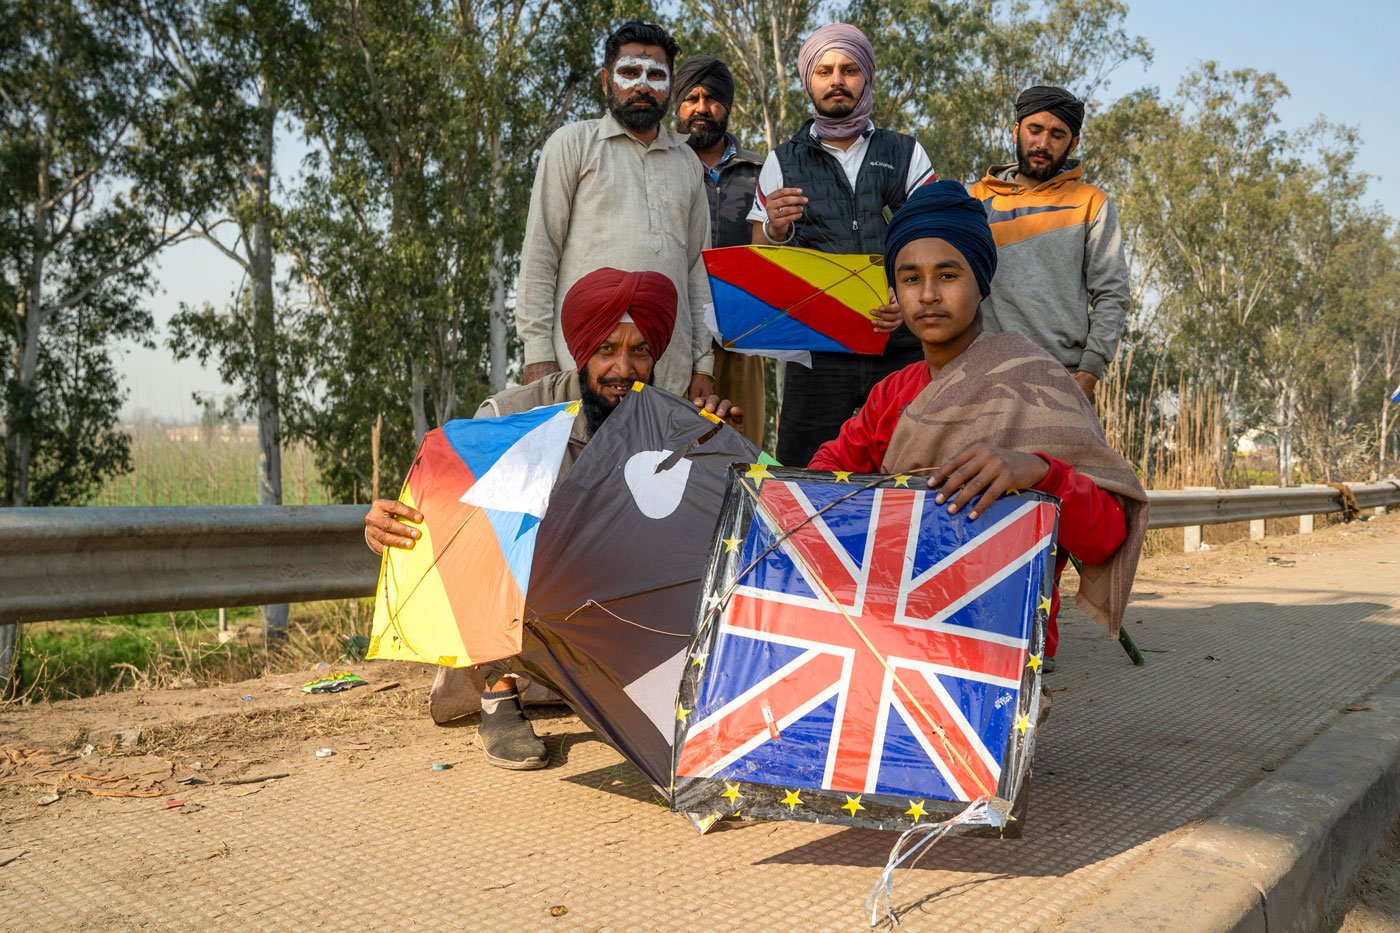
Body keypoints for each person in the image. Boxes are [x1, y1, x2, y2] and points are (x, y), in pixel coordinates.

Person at [365, 268, 743, 768]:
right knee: (489, 527)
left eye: (640, 352)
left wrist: (723, 452)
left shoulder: (676, 421)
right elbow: (449, 524)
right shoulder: (510, 415)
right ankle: (499, 697)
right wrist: (387, 529)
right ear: (580, 350)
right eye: (607, 350)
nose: (623, 368)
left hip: (613, 629)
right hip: (520, 637)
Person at [809, 181, 1147, 671]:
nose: (927, 295)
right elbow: (822, 479)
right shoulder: (892, 394)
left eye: (947, 275)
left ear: (981, 281)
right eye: (910, 279)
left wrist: (1039, 472)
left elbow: (1106, 537)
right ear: (895, 291)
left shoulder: (1040, 383)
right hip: (889, 627)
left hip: (1005, 643)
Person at [747, 23, 937, 467]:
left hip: (901, 345)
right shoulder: (781, 160)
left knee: (914, 469)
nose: (837, 80)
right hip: (818, 350)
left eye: (849, 69)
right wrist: (774, 229)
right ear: (809, 81)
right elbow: (760, 250)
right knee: (801, 471)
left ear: (865, 78)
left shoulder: (906, 152)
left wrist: (904, 296)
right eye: (825, 71)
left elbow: (933, 236)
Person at [515, 21, 716, 403]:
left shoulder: (688, 161)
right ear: (607, 81)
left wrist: (702, 364)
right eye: (629, 73)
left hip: (668, 378)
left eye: (656, 75)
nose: (642, 86)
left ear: (672, 87)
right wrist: (538, 357)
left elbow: (697, 271)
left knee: (658, 464)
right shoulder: (572, 145)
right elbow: (540, 257)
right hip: (579, 372)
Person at [967, 86, 1130, 402]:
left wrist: (1089, 373)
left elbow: (1112, 293)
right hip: (983, 377)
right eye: (1035, 129)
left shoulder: (1091, 203)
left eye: (1057, 134)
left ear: (1073, 143)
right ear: (1016, 130)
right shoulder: (975, 199)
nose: (1043, 143)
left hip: (1061, 380)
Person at [673, 54, 766, 446]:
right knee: (670, 455)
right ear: (676, 105)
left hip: (739, 339)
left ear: (726, 106)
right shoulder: (662, 167)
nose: (701, 108)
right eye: (690, 97)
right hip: (673, 338)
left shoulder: (763, 172)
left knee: (742, 452)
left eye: (712, 98)